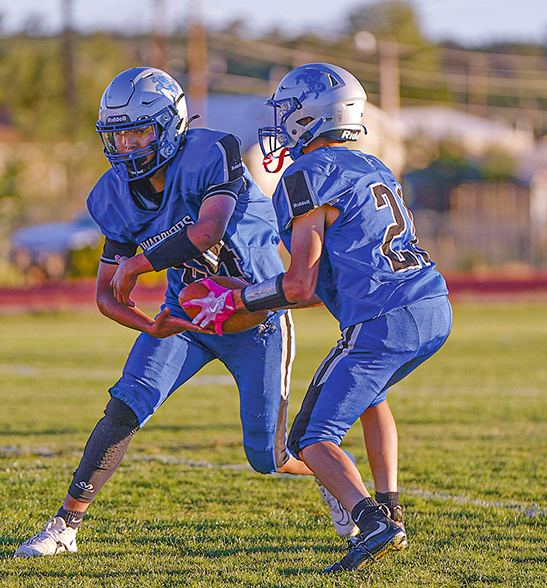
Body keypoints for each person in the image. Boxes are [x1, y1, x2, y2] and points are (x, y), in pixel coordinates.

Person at [14, 67, 355, 558]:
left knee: (268, 457)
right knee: (126, 403)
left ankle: (334, 479)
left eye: (140, 131)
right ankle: (65, 525)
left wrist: (136, 262)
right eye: (119, 135)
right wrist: (150, 323)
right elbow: (106, 297)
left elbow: (209, 230)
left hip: (252, 316)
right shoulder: (112, 194)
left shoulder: (211, 151)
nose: (129, 146)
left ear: (171, 125)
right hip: (186, 317)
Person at [186, 63, 452, 571]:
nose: (281, 120)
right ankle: (391, 507)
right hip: (432, 305)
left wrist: (236, 301)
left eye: (288, 111)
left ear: (309, 116)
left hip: (385, 319)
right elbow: (318, 289)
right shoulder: (375, 167)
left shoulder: (306, 174)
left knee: (309, 439)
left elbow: (300, 283)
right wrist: (255, 291)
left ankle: (372, 522)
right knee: (373, 396)